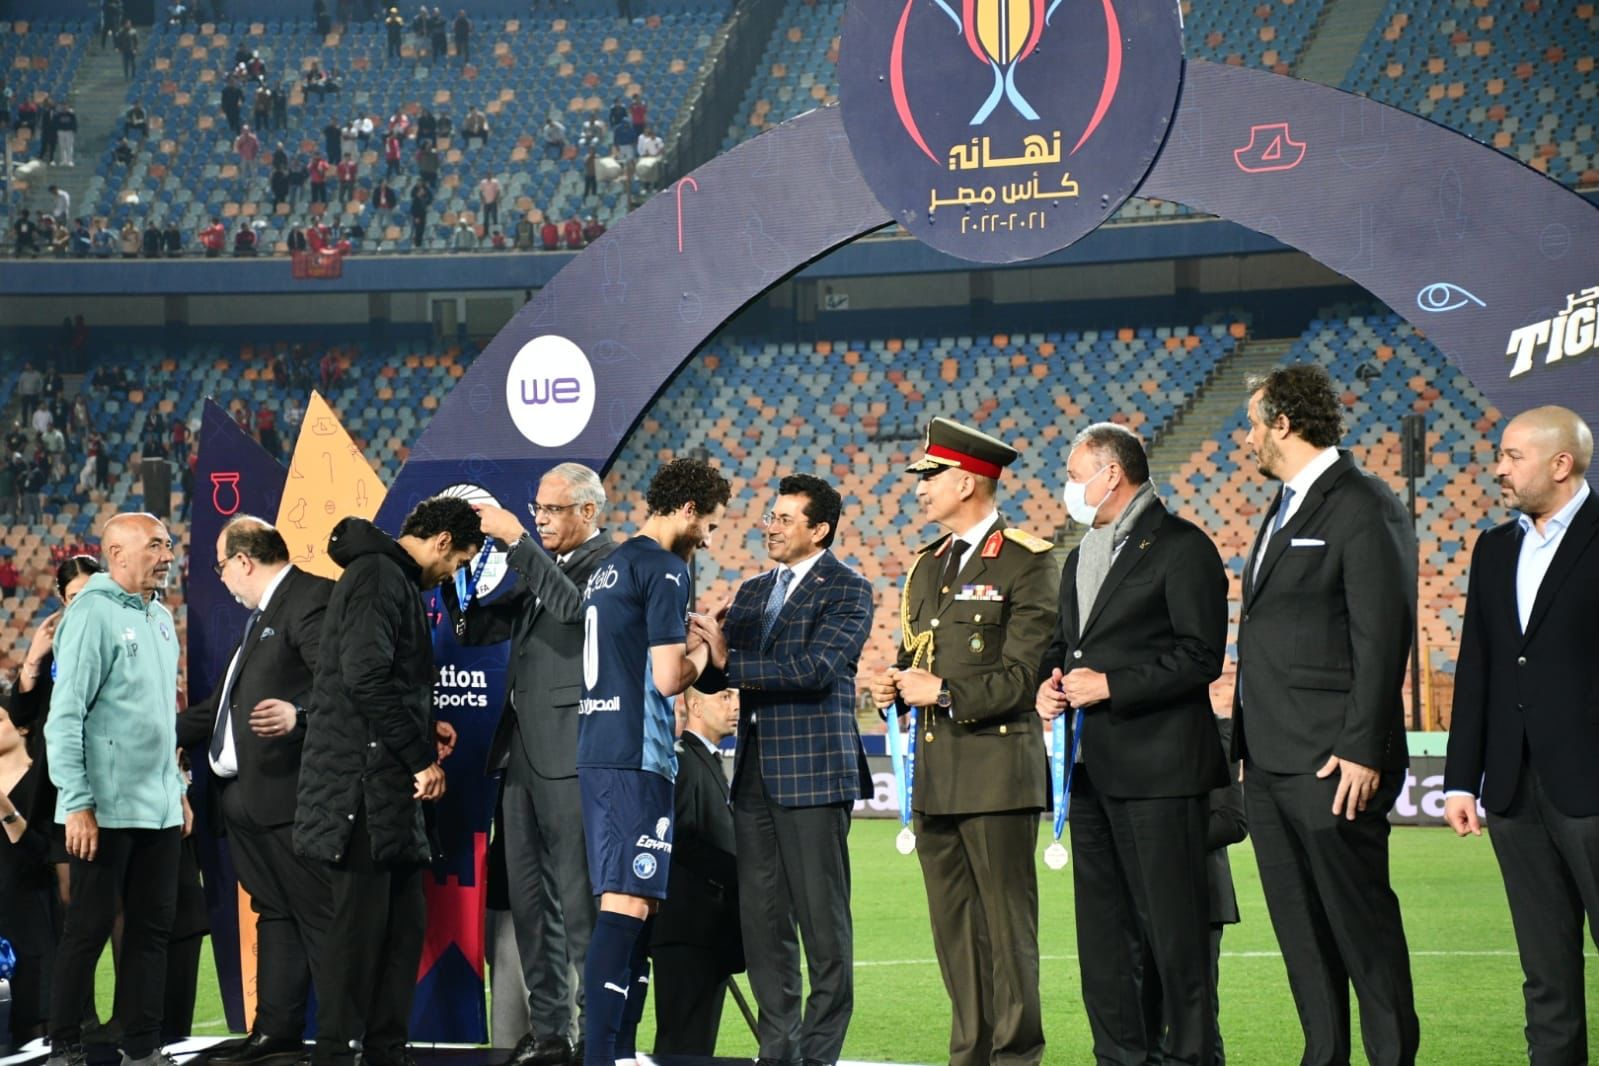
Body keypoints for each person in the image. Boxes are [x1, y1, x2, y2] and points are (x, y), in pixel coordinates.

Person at [1233, 364, 1419, 1066]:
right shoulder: (1284, 504)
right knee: (1302, 939)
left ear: (1282, 423)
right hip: (1270, 763)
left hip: (1334, 764)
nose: (1246, 439)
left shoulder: (1363, 503)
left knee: (1361, 931)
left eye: (1252, 424)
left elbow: (1382, 635)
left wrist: (1364, 747)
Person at [1034, 422, 1227, 1066]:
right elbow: (1064, 646)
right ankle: (1119, 1057)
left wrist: (1111, 685)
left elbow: (1200, 656)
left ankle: (1192, 1057)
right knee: (1105, 942)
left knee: (1174, 937)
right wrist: (1047, 685)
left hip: (1160, 773)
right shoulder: (1080, 554)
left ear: (1111, 473)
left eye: (1073, 473)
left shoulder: (1183, 547)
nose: (1067, 486)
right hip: (1089, 773)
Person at [868, 417, 1059, 1066]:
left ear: (970, 481)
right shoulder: (928, 565)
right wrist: (896, 684)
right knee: (955, 939)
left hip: (998, 775)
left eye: (932, 476)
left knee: (1008, 934)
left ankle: (1015, 1057)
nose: (920, 488)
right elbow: (917, 657)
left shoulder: (1028, 561)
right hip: (937, 777)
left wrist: (943, 692)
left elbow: (1023, 677)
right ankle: (969, 1056)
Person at [692, 473, 873, 1066]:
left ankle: (818, 1055)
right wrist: (705, 646)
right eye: (770, 516)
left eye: (785, 518)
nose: (770, 526)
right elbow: (720, 677)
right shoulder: (751, 592)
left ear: (819, 530)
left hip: (814, 777)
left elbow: (815, 669)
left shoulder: (848, 589)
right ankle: (778, 1050)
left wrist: (729, 659)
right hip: (753, 780)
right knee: (764, 926)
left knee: (823, 927)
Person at [294, 498, 482, 1066]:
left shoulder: (391, 578)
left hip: (383, 792)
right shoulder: (378, 575)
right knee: (358, 937)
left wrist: (424, 726)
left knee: (401, 933)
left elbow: (381, 681)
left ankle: (385, 1051)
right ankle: (336, 1054)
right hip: (360, 793)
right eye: (458, 562)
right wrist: (420, 757)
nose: (451, 575)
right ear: (442, 541)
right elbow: (365, 676)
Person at [1443, 405, 1599, 1065]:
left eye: (1512, 456)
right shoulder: (1494, 547)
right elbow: (1476, 666)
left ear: (1560, 464)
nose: (1499, 468)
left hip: (1590, 786)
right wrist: (1460, 779)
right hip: (1512, 790)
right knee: (1544, 969)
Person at [454, 465, 618, 1066]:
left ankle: (595, 1034)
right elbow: (476, 630)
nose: (542, 519)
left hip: (572, 753)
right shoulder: (543, 569)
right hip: (520, 754)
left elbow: (576, 612)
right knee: (530, 903)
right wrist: (461, 569)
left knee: (578, 903)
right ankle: (552, 1032)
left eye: (553, 510)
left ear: (588, 512)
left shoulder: (609, 564)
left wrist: (517, 541)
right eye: (538, 510)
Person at [577, 457, 729, 1066]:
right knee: (627, 905)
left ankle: (619, 1051)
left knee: (641, 904)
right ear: (688, 510)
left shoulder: (612, 564)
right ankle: (601, 1055)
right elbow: (668, 679)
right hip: (635, 753)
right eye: (710, 524)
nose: (709, 538)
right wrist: (709, 651)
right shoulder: (665, 569)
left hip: (603, 747)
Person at [175, 517, 334, 1066]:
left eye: (221, 567)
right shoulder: (262, 615)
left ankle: (344, 1039)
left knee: (318, 916)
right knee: (276, 912)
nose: (221, 579)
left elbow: (340, 680)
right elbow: (221, 708)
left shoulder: (309, 598)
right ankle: (275, 1033)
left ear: (244, 561)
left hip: (291, 794)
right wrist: (153, 736)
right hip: (247, 798)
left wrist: (300, 714)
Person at [44, 514, 185, 1066]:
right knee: (88, 929)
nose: (167, 555)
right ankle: (64, 1045)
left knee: (151, 932)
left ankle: (142, 1047)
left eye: (168, 545)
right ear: (117, 554)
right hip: (105, 810)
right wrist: (77, 802)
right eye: (155, 546)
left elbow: (161, 721)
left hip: (160, 809)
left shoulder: (160, 617)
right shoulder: (90, 613)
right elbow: (65, 717)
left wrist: (178, 792)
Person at [648, 686, 743, 1056]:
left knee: (695, 1045)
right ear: (695, 706)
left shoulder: (705, 759)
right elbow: (678, 839)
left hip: (705, 931)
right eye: (725, 697)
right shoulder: (683, 760)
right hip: (687, 930)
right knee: (683, 1045)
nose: (735, 705)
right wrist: (742, 873)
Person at [1, 700, 60, 1047]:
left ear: (22, 726)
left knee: (34, 1030)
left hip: (33, 919)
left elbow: (43, 854)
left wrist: (5, 808)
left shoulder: (42, 780)